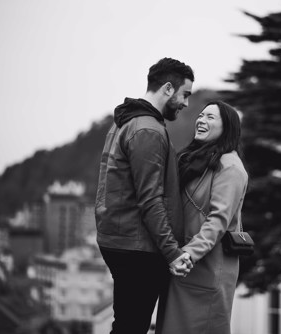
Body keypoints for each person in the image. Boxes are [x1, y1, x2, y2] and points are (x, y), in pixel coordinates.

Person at [95, 57, 195, 334]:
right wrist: (173, 253)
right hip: (137, 247)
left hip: (121, 239)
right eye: (184, 94)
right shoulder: (148, 130)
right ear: (167, 89)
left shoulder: (124, 123)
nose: (186, 103)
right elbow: (151, 199)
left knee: (127, 325)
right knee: (131, 327)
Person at [158, 101, 249, 334]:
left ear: (226, 127)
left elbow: (218, 221)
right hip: (183, 264)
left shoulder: (230, 168)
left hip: (206, 268)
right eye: (201, 115)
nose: (201, 120)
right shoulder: (197, 159)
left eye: (210, 118)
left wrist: (188, 253)